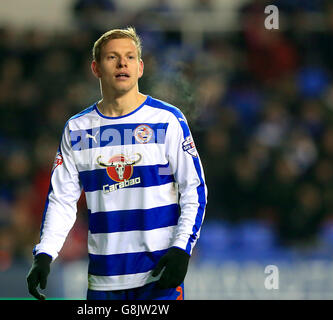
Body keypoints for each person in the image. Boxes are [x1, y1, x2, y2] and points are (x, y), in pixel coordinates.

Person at [26, 27, 208, 300]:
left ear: (141, 67)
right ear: (96, 68)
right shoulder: (77, 129)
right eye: (112, 57)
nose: (123, 63)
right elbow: (62, 200)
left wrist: (182, 248)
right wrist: (45, 253)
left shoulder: (168, 120)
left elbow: (194, 190)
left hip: (158, 277)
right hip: (103, 281)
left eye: (130, 57)